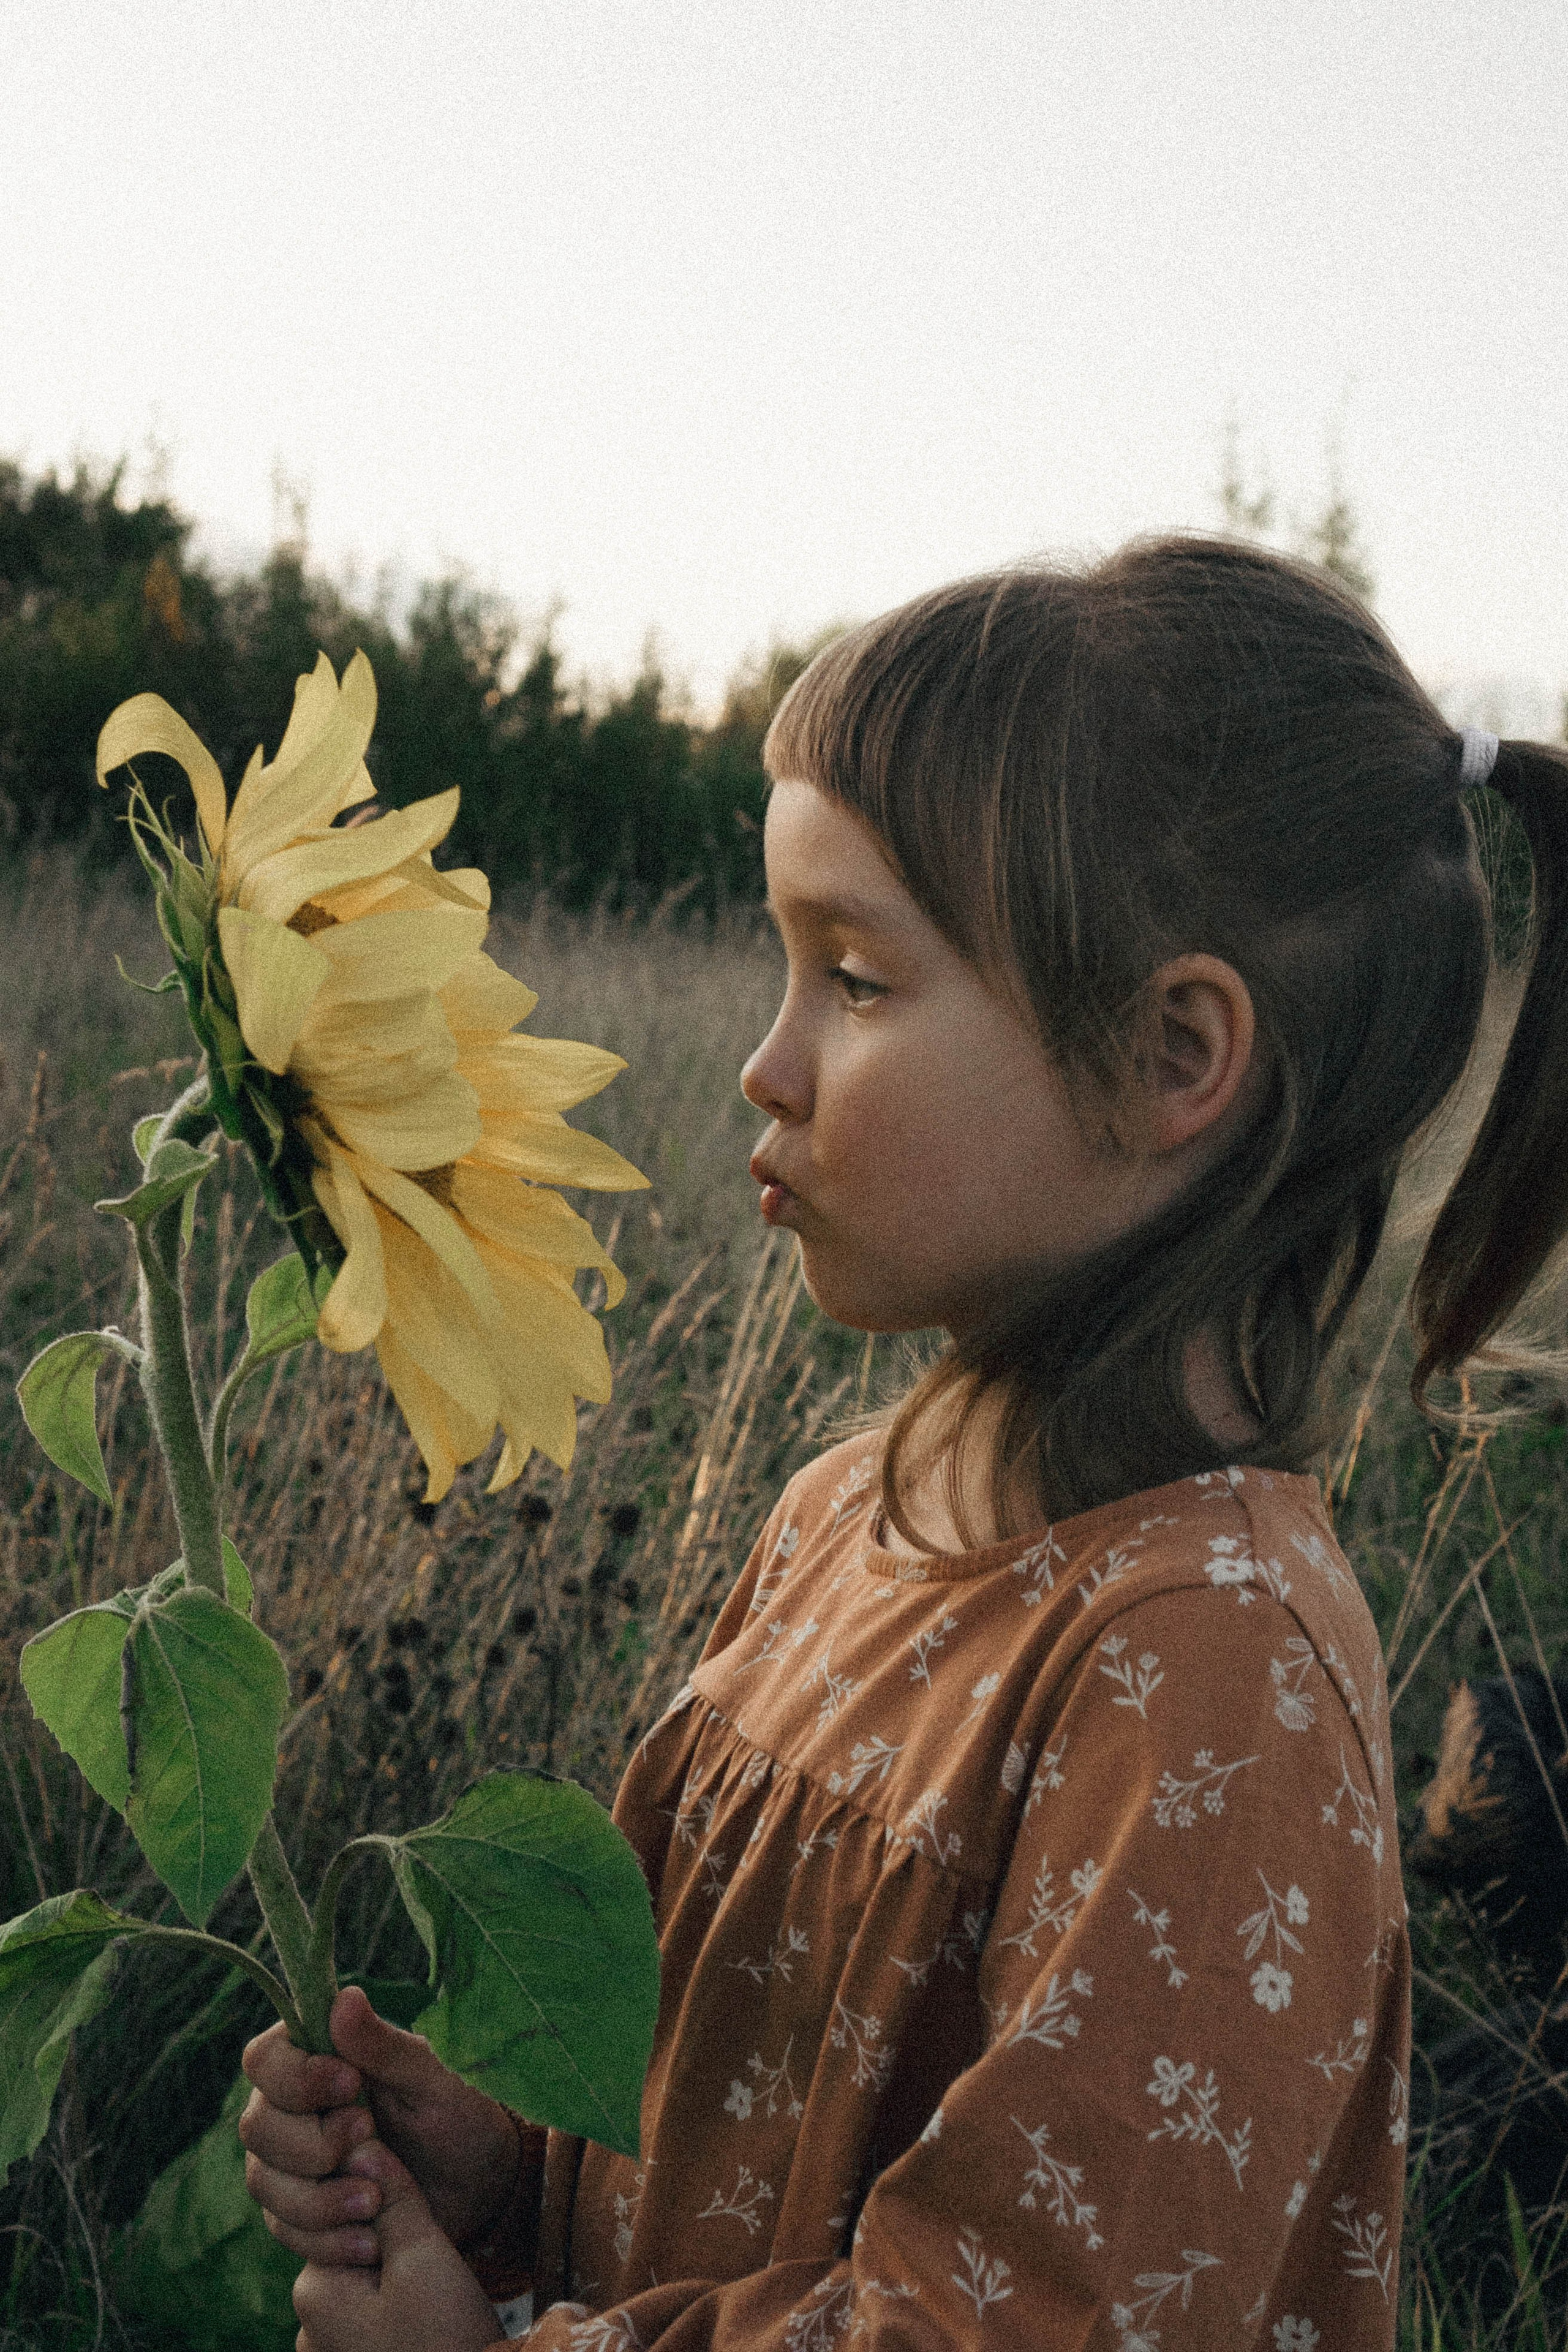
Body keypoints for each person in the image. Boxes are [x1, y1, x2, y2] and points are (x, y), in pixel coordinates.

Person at [239, 537, 1568, 2350]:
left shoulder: (1205, 1671)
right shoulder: (840, 1518)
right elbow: (744, 2160)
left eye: (855, 979)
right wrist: (516, 2193)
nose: (764, 1066)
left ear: (1175, 1057)